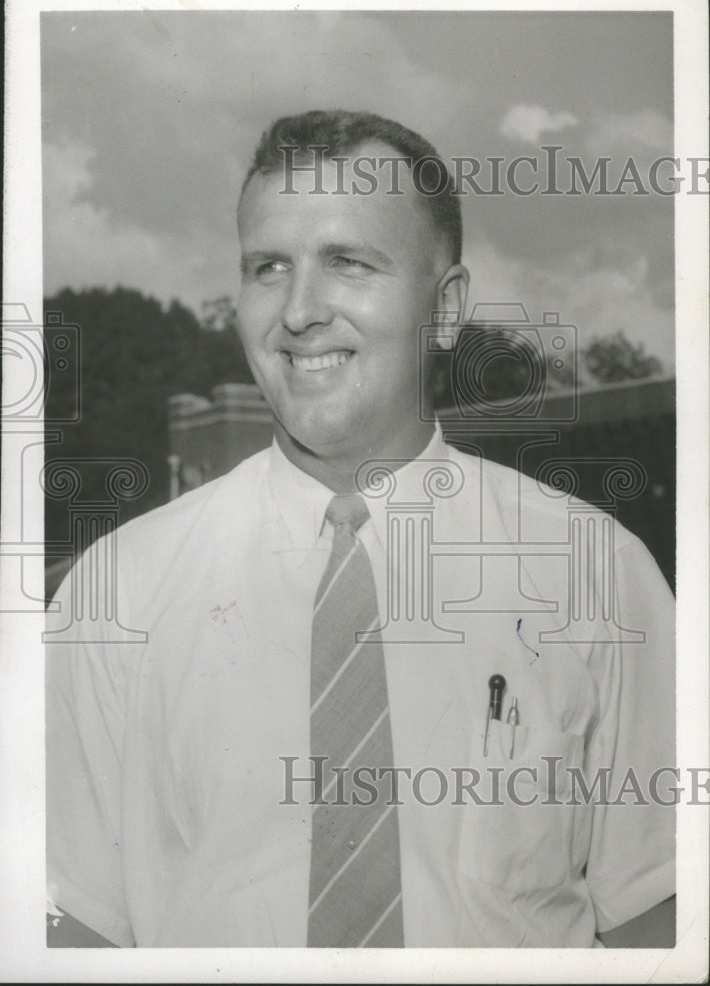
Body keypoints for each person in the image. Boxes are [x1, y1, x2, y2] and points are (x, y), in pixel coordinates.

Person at [46, 109, 675, 948]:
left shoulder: (596, 573)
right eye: (268, 267)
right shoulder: (114, 591)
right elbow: (70, 922)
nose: (299, 310)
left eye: (348, 262)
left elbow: (658, 914)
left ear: (445, 307)